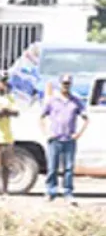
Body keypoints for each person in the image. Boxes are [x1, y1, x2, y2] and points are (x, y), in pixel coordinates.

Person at [40, 74, 90, 205]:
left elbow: (86, 118)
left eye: (68, 84)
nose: (65, 86)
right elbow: (41, 117)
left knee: (68, 168)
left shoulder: (75, 101)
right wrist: (46, 133)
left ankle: (68, 192)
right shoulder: (52, 100)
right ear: (60, 84)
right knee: (52, 167)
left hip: (69, 139)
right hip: (55, 139)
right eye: (64, 83)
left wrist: (78, 134)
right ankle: (51, 192)